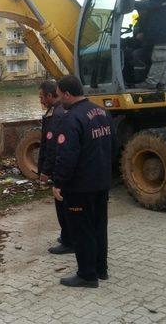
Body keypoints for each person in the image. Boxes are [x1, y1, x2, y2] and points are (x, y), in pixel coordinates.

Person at [52, 75, 114, 288]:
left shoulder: (71, 119)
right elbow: (112, 147)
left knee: (82, 230)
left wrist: (58, 183)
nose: (59, 100)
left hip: (80, 187)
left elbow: (67, 156)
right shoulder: (103, 113)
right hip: (102, 182)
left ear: (67, 94)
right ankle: (101, 269)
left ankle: (87, 275)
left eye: (60, 95)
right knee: (99, 227)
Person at [36, 80, 73, 255]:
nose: (41, 101)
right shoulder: (59, 110)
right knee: (65, 203)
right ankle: (68, 234)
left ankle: (68, 240)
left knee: (62, 204)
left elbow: (51, 147)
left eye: (42, 97)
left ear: (51, 96)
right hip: (64, 166)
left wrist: (45, 171)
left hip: (59, 167)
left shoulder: (56, 115)